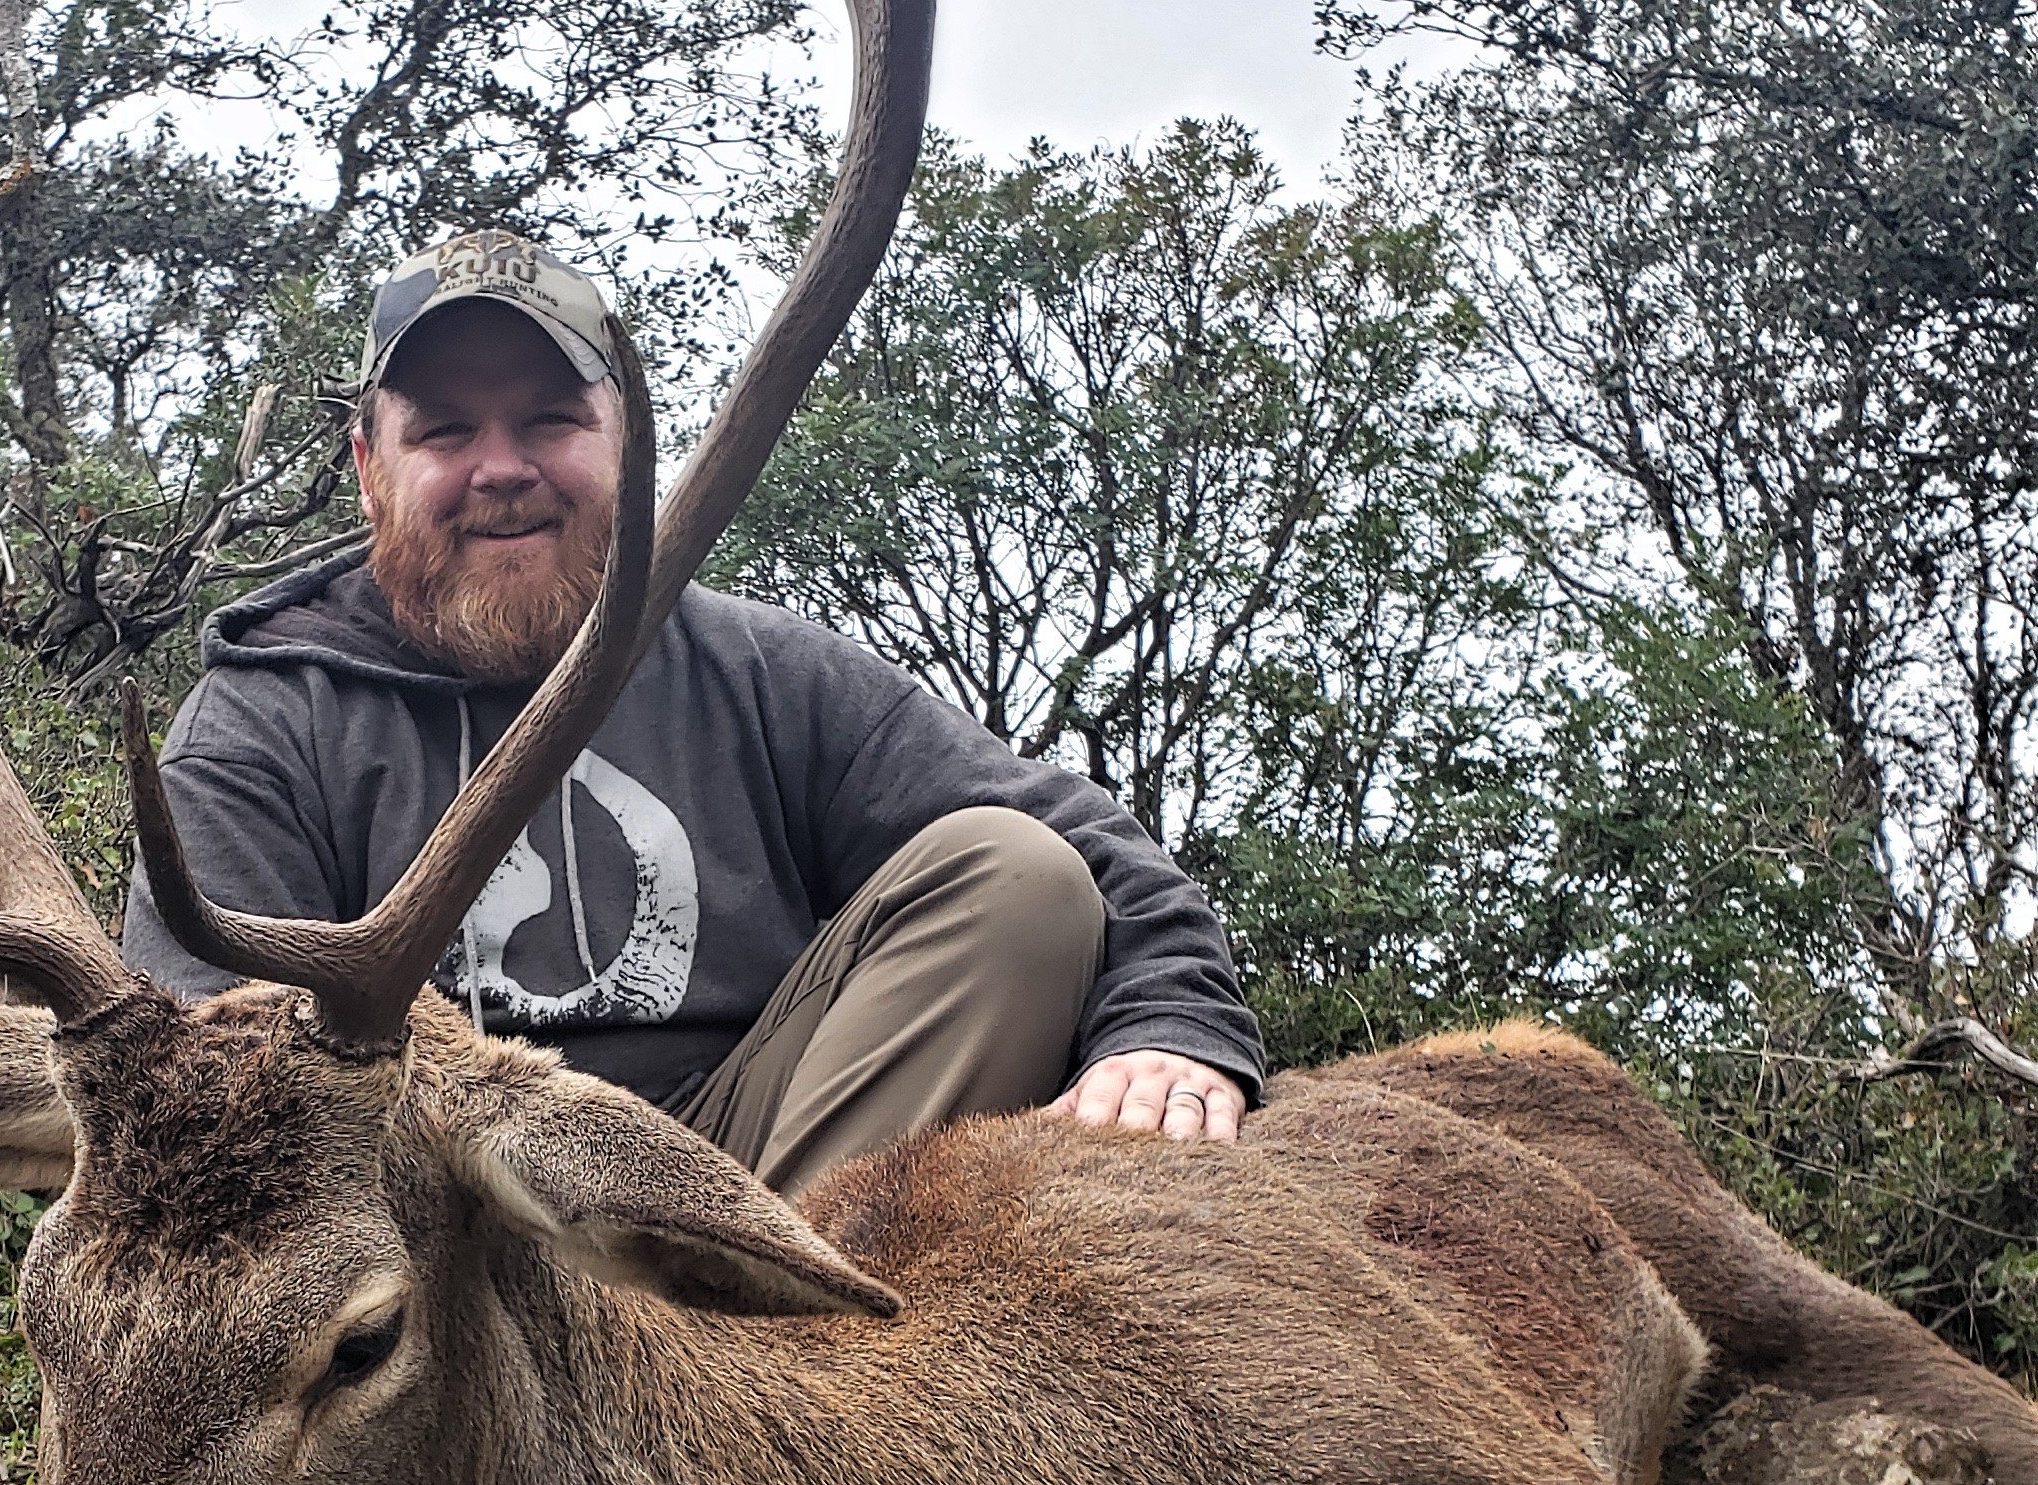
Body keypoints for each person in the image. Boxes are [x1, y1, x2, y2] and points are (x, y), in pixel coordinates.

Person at [123, 228, 1263, 1196]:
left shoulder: (760, 668)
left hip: (751, 1194)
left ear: (628, 448)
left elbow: (1095, 854)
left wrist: (1173, 1031)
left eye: (551, 420)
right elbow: (205, 1061)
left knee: (1016, 876)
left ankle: (774, 1393)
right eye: (447, 432)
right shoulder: (265, 719)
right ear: (371, 468)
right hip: (450, 1242)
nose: (503, 467)